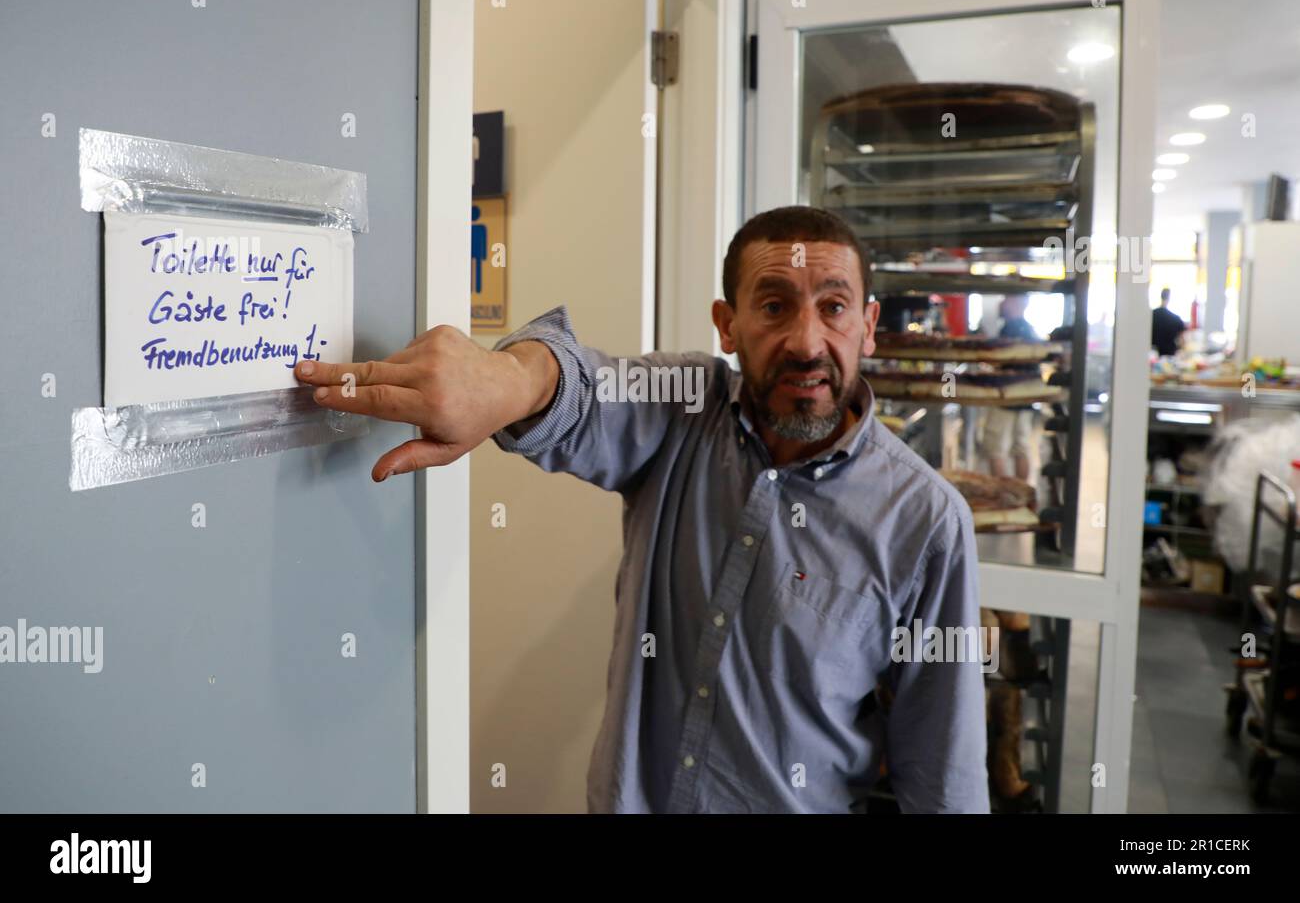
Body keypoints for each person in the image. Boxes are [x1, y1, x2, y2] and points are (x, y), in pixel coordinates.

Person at [294, 205, 988, 814]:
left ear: (868, 325)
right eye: (774, 306)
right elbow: (581, 385)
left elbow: (943, 769)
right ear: (728, 324)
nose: (807, 341)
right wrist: (508, 377)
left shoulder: (926, 521)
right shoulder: (684, 406)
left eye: (833, 307)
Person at [982, 294, 1038, 482]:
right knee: (1021, 446)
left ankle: (1002, 499)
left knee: (995, 447)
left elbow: (1003, 361)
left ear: (1016, 303)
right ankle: (1021, 497)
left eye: (1007, 298)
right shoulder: (1029, 329)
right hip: (1025, 398)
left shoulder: (1010, 328)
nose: (1001, 302)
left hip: (1006, 397)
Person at [1151, 287, 1185, 357]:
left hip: (1153, 354)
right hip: (1170, 355)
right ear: (1169, 298)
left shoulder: (1151, 315)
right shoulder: (1176, 319)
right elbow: (1182, 342)